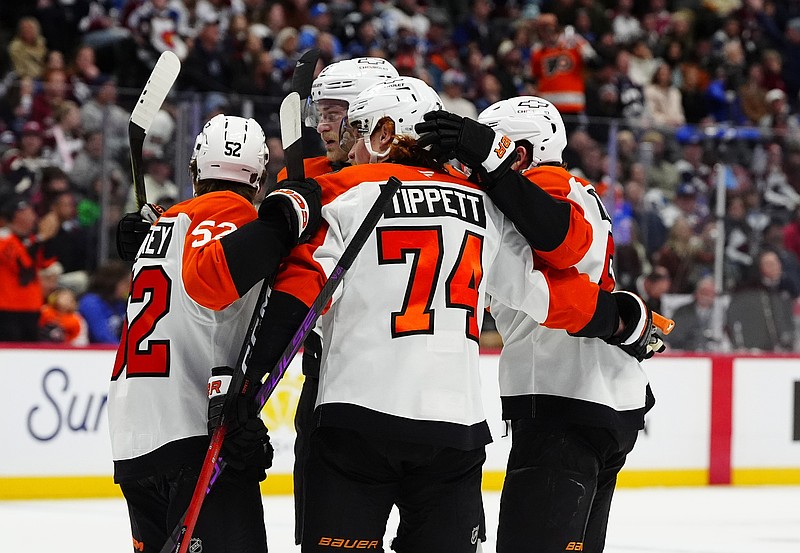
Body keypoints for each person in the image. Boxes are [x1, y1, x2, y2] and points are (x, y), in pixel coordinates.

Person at [250, 77, 662, 553]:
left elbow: (293, 290)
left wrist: (246, 391)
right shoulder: (484, 207)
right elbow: (541, 290)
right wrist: (617, 318)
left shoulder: (345, 189)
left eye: (355, 132)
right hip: (456, 429)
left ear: (384, 136)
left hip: (358, 417)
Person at [418, 96, 661, 552]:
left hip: (561, 400)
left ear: (519, 154)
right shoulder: (573, 191)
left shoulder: (546, 187)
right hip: (605, 400)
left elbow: (523, 274)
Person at [108, 114, 321, 553]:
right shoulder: (234, 213)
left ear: (193, 171)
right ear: (259, 176)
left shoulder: (167, 224)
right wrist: (286, 218)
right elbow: (215, 277)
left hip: (134, 434)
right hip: (194, 432)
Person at [276, 55, 399, 547]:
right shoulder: (312, 175)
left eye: (334, 113)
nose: (323, 125)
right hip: (335, 384)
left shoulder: (351, 183)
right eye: (319, 113)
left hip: (400, 388)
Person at [0, 194, 60, 342]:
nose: (34, 216)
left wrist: (49, 237)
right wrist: (41, 238)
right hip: (8, 308)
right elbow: (22, 265)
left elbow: (46, 261)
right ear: (17, 215)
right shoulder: (4, 238)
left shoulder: (30, 240)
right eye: (29, 211)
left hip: (32, 307)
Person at [78, 260, 131, 344]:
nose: (128, 287)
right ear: (112, 282)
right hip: (96, 353)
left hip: (117, 350)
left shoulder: (120, 303)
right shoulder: (91, 303)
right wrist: (124, 352)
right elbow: (102, 336)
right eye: (125, 283)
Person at [667, 275, 719, 351]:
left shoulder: (721, 312)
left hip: (713, 351)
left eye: (711, 293)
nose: (707, 296)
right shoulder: (682, 312)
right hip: (686, 352)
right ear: (697, 293)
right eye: (704, 292)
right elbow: (674, 336)